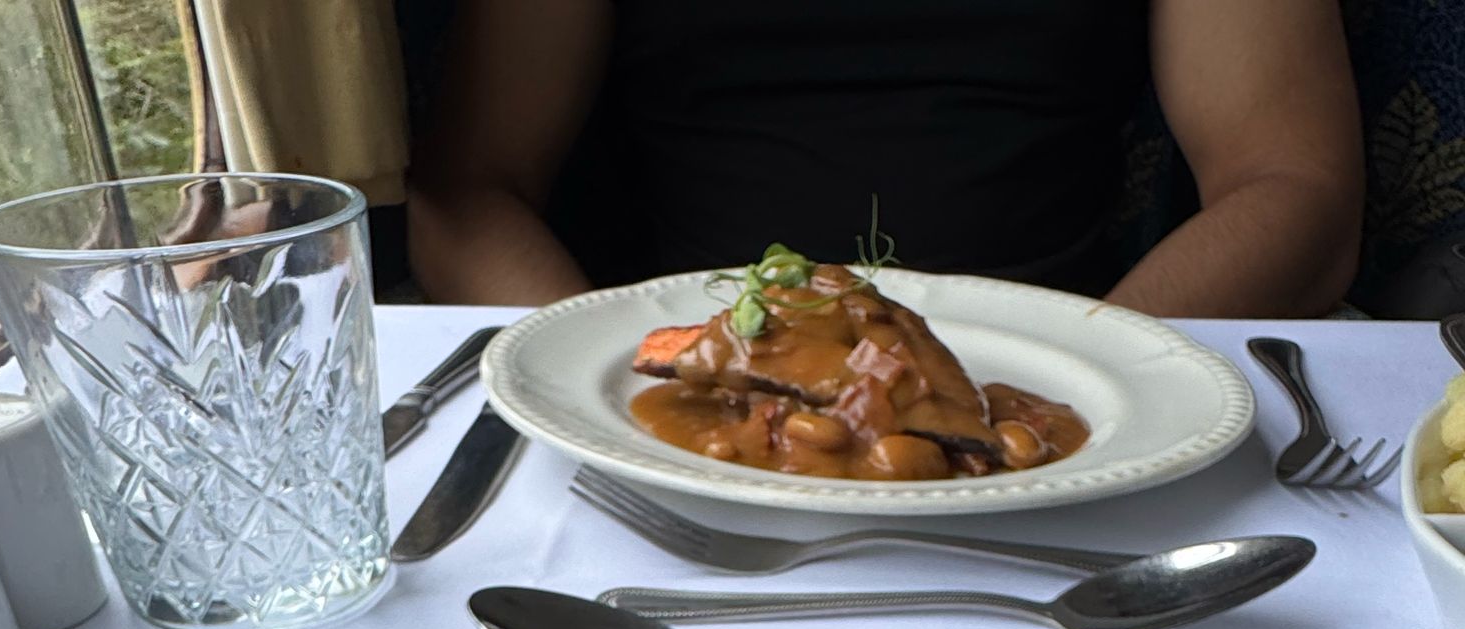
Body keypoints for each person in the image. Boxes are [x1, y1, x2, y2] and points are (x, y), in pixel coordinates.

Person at [407, 0, 1363, 316]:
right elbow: (468, 193)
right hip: (682, 396)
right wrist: (602, 382)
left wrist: (1085, 376)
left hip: (1068, 387)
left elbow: (1296, 188)